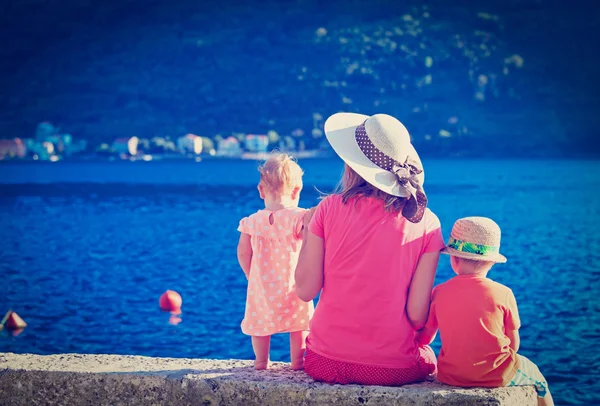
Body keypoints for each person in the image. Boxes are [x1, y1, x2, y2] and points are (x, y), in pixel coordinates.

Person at [295, 113, 445, 385]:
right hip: (393, 369)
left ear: (352, 164)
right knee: (429, 357)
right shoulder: (428, 223)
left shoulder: (327, 209)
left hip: (324, 362)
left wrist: (307, 231)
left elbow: (305, 291)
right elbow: (416, 315)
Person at [416, 217, 554, 406]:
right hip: (496, 375)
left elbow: (425, 338)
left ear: (454, 259)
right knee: (538, 378)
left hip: (450, 376)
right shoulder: (504, 293)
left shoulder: (439, 292)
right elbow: (514, 345)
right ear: (491, 262)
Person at [237, 153, 315, 370]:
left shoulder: (251, 222)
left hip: (261, 285)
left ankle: (261, 362)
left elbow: (243, 252)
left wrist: (249, 274)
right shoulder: (299, 217)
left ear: (261, 191)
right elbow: (310, 245)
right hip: (293, 283)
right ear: (297, 190)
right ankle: (297, 362)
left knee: (259, 323)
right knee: (299, 323)